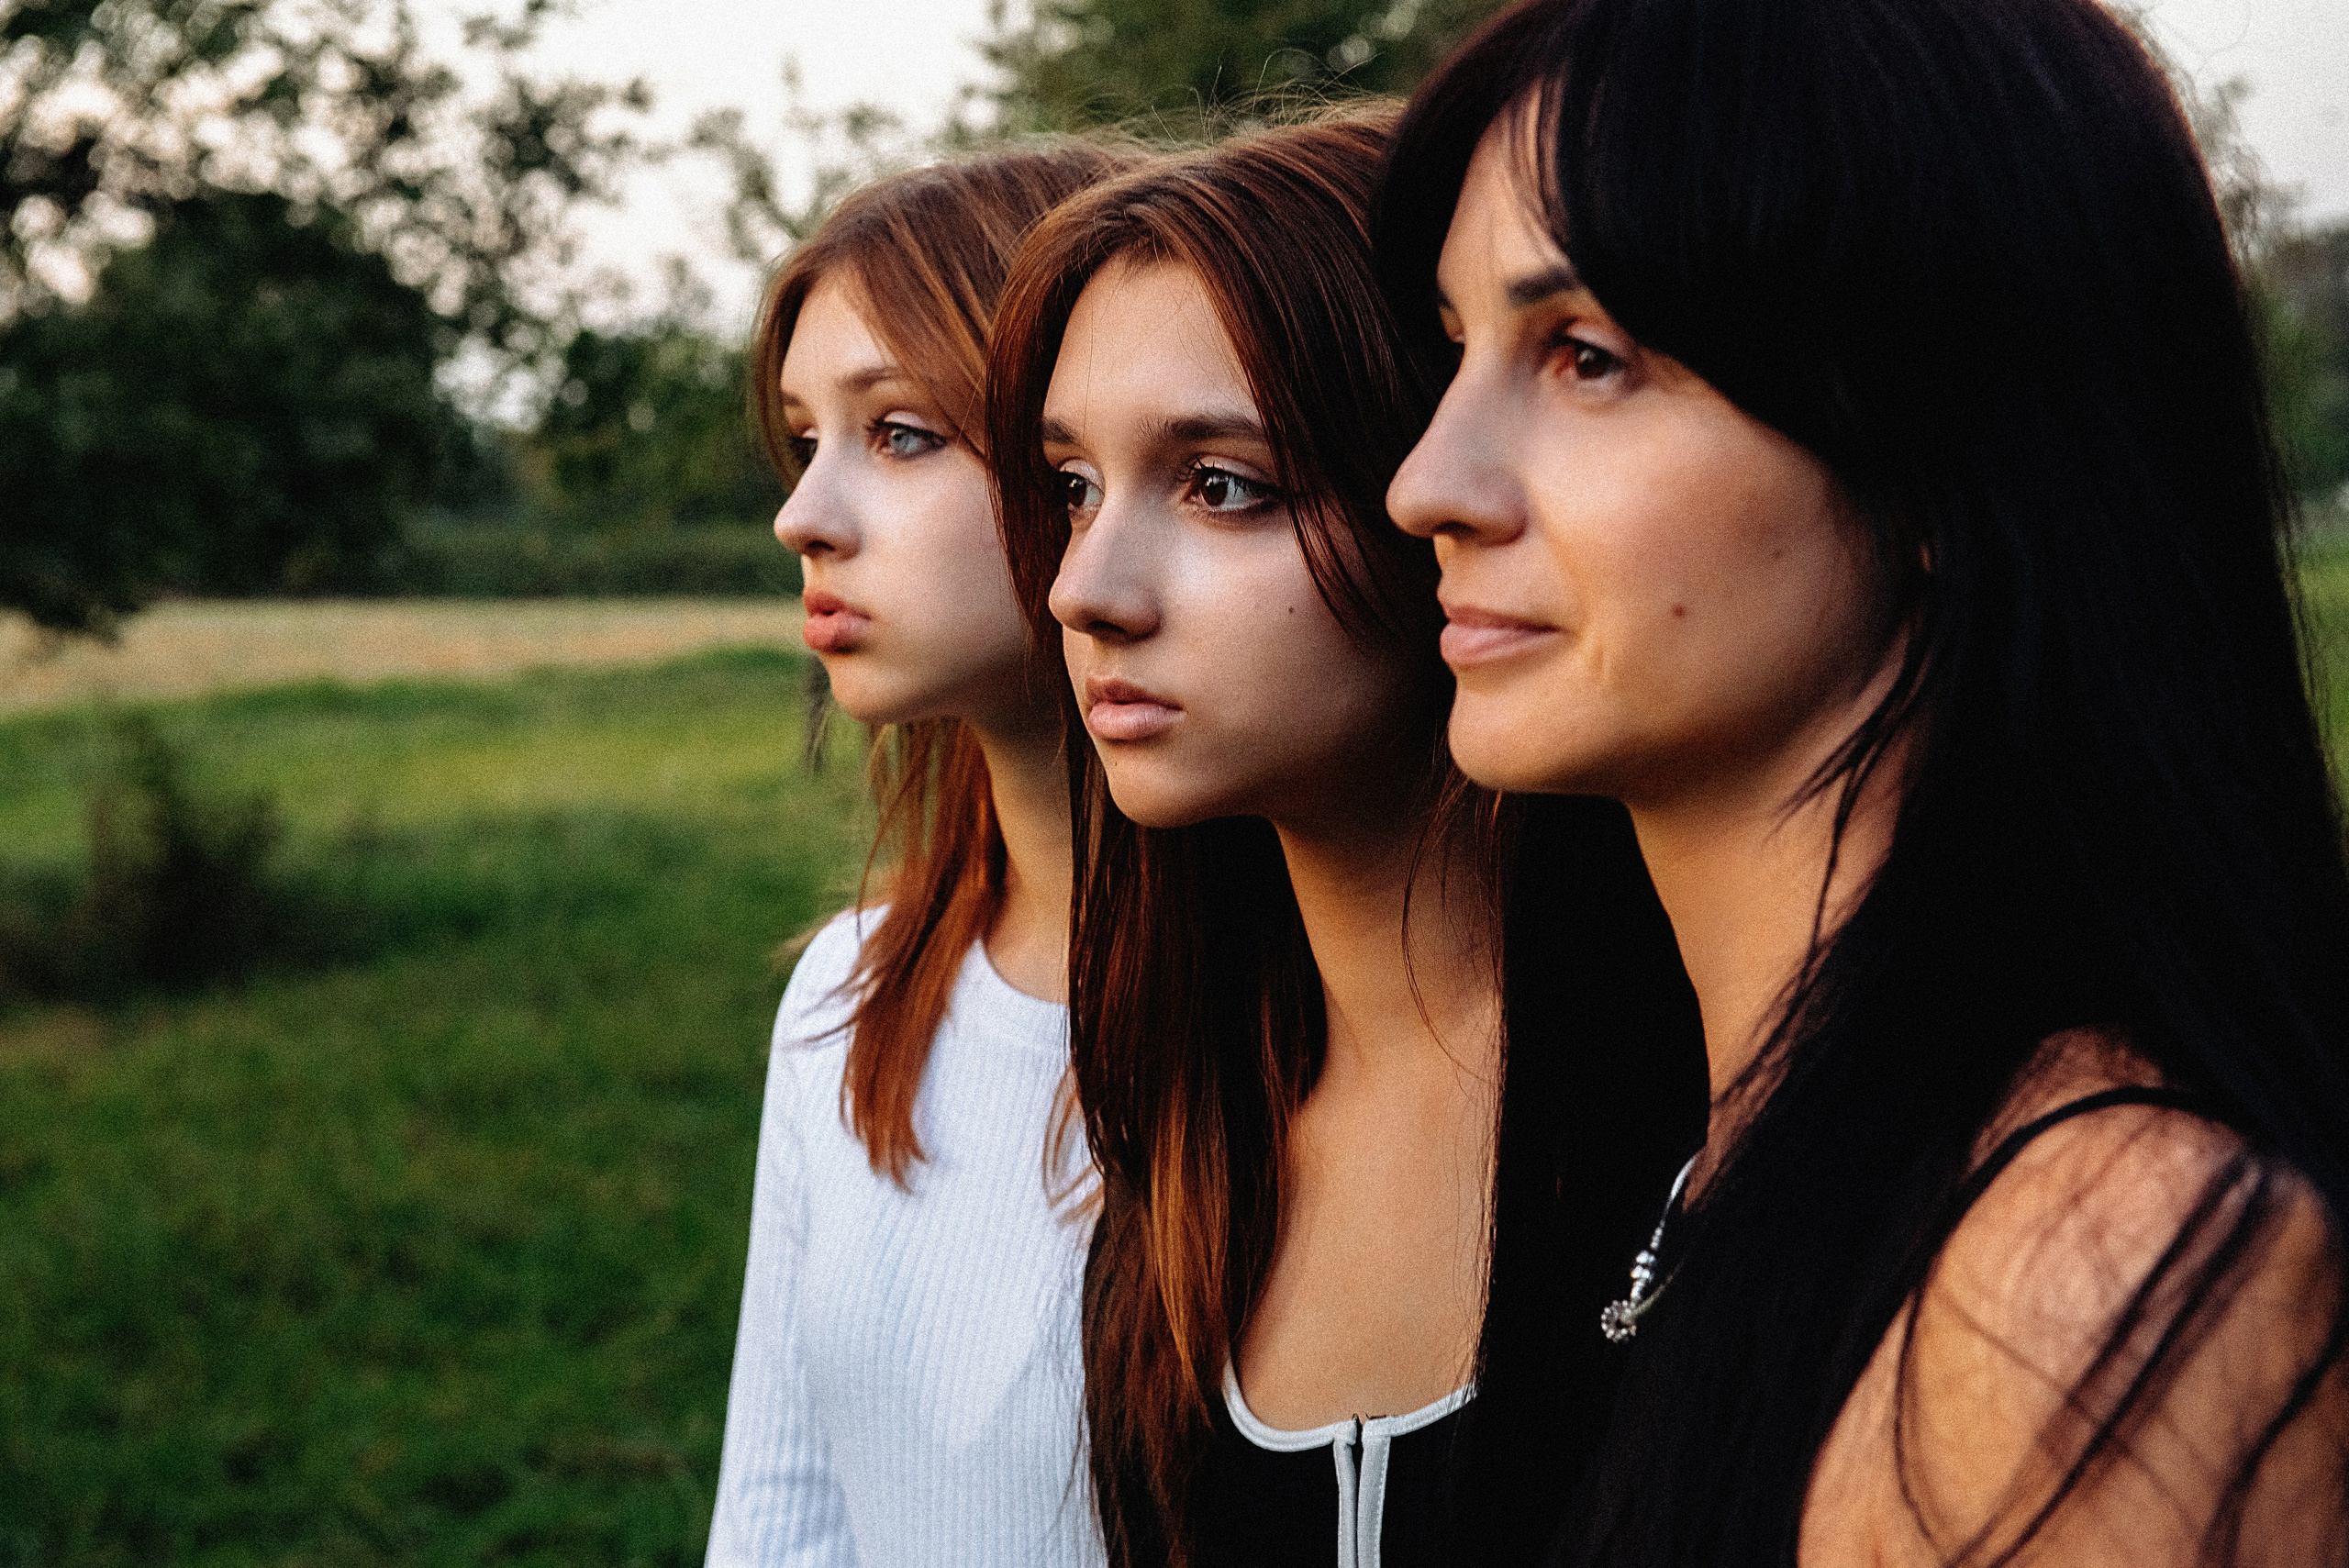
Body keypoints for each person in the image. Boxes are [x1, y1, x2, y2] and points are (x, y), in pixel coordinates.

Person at [1376, 0, 2349, 1561]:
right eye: (1457, 348)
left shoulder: (2085, 1270)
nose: (1427, 481)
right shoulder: (1685, 1137)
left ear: (1942, 458)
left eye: (1586, 356)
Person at [986, 107, 1704, 1568]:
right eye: (1072, 488)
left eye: (1221, 485)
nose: (1085, 590)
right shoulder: (1185, 1118)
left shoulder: (1701, 1110)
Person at [705, 140, 1137, 1568]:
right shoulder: (849, 995)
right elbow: (780, 1519)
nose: (803, 515)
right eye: (805, 435)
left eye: (899, 433)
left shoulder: (1349, 1037)